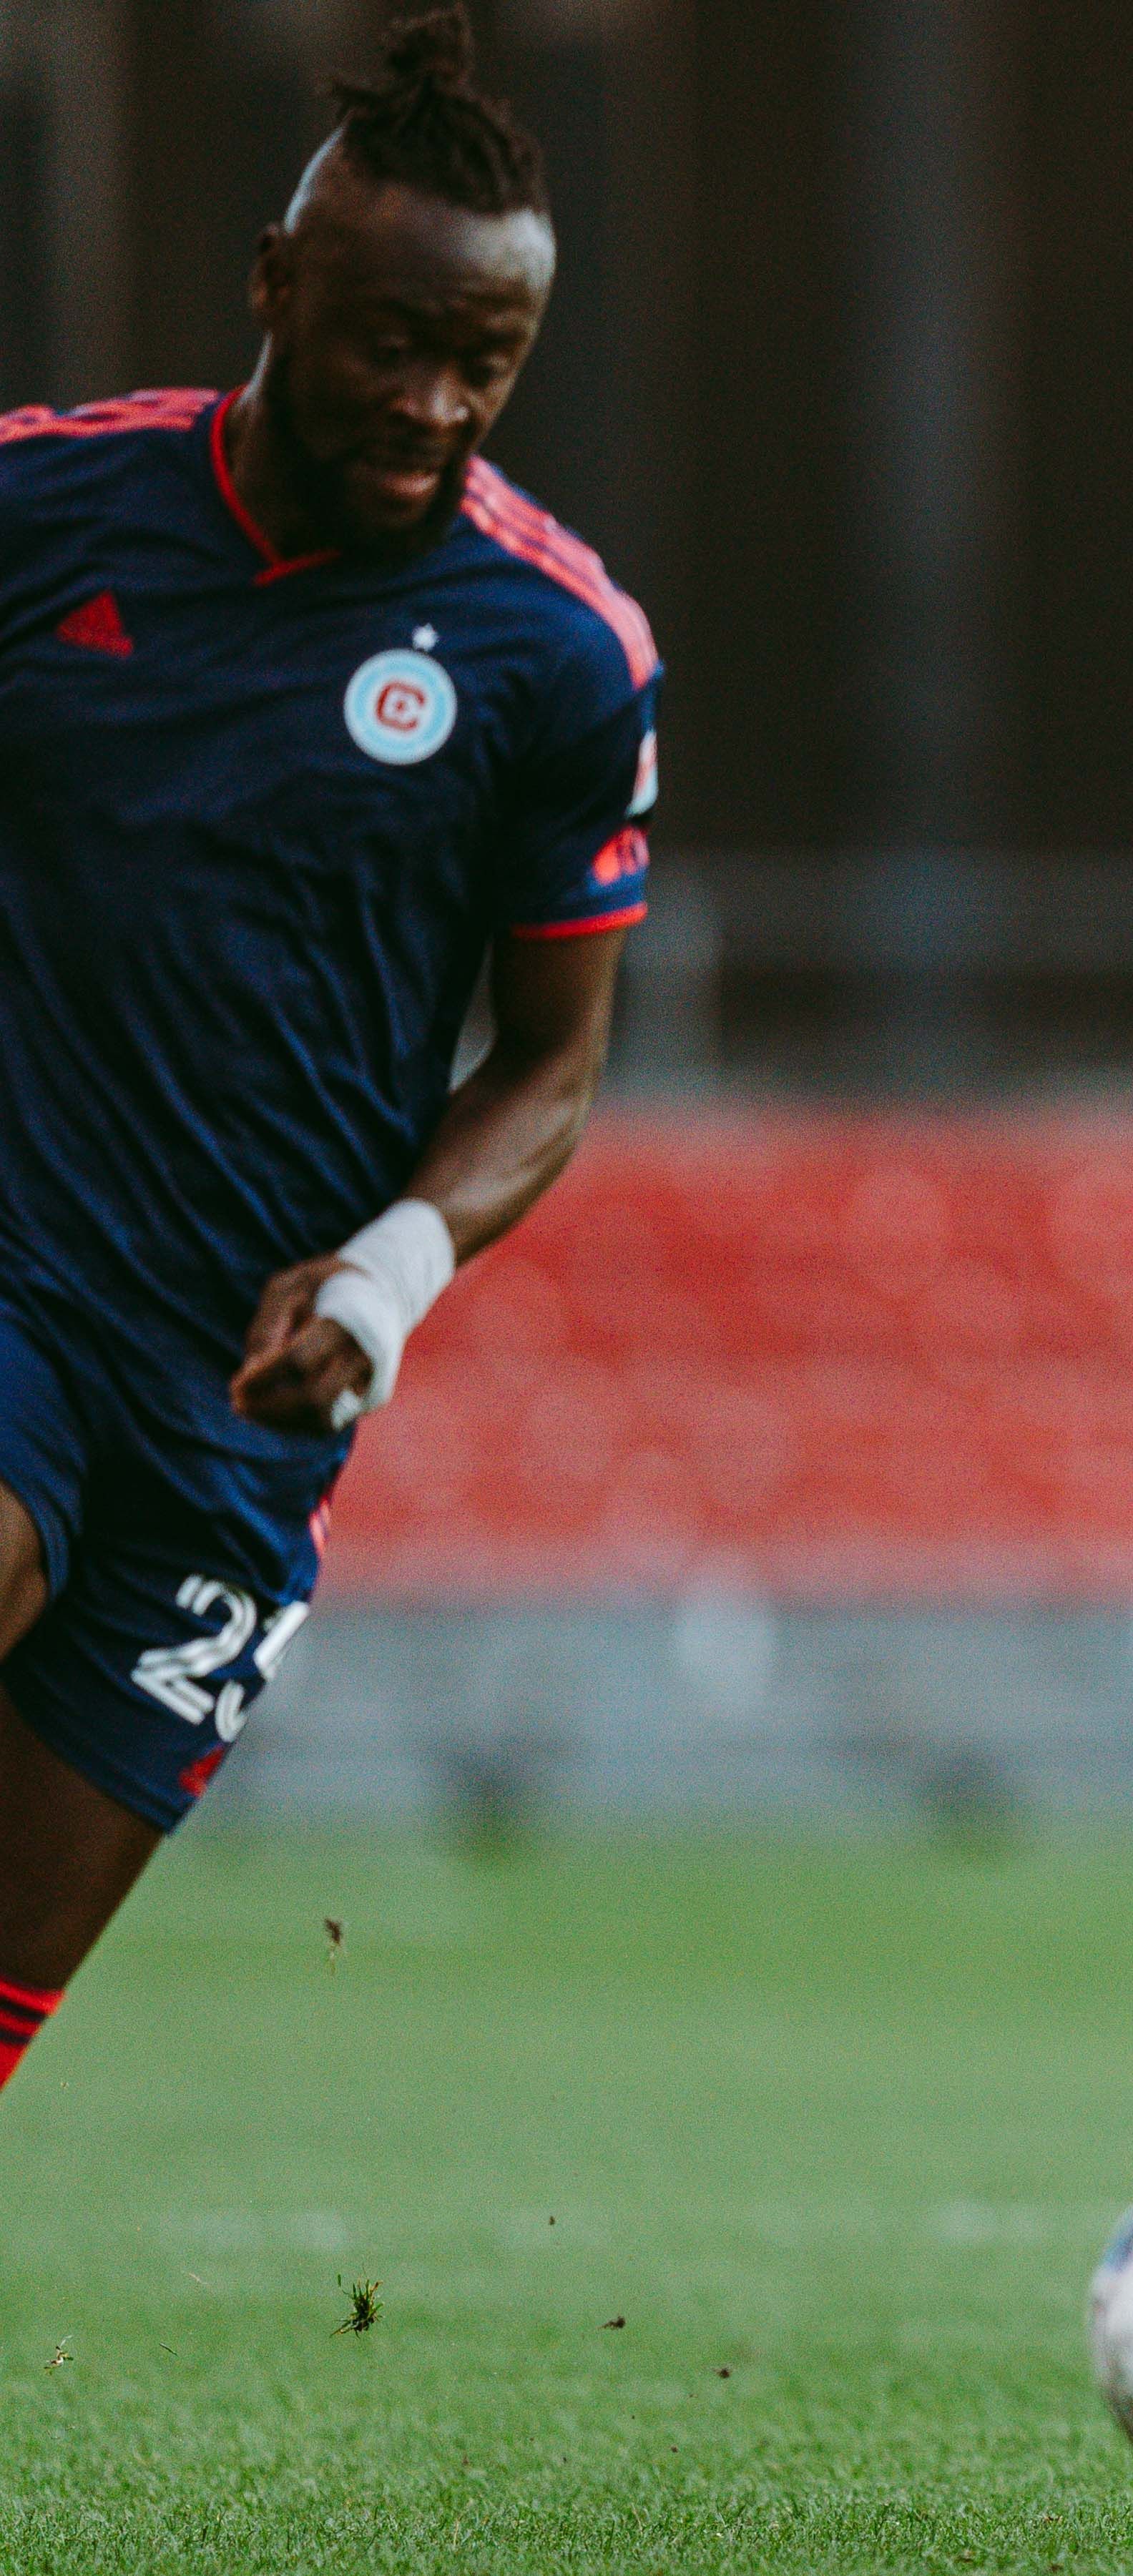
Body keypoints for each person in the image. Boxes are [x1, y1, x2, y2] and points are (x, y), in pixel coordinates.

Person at [0, 6, 656, 2100]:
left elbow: (551, 1064)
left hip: (242, 1397)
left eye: (484, 367)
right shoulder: (49, 513)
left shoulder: (559, 654)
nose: (431, 405)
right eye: (388, 340)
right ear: (277, 287)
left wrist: (388, 1274)